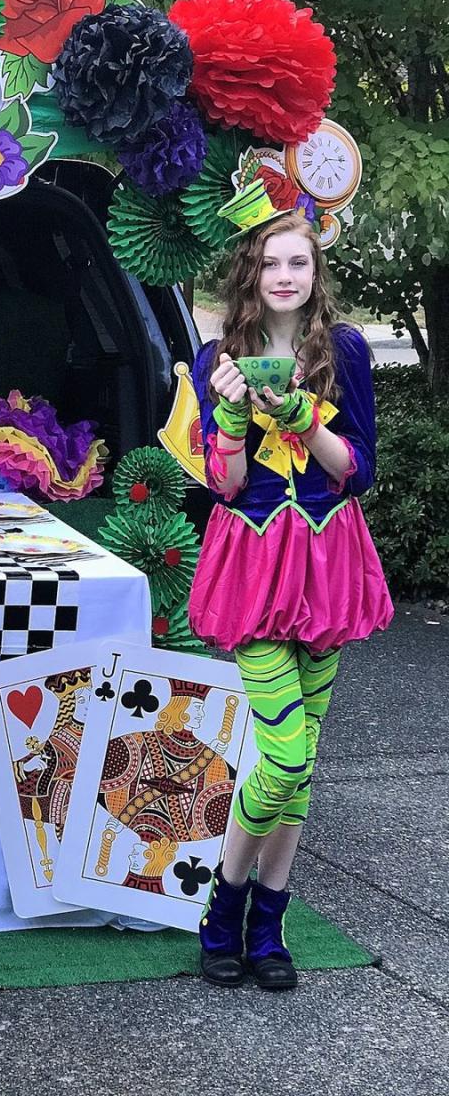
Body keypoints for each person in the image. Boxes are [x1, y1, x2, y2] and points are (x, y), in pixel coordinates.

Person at [188, 190, 393, 992]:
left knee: (300, 768)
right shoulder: (220, 359)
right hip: (254, 569)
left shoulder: (343, 348)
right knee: (282, 757)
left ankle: (265, 925)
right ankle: (223, 906)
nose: (283, 274)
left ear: (316, 271)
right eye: (269, 261)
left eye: (297, 261)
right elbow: (227, 485)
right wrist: (234, 420)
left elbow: (358, 472)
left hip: (330, 567)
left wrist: (307, 417)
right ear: (250, 271)